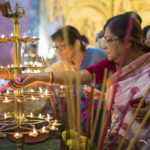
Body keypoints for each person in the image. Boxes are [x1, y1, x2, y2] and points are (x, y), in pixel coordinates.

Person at [8, 12, 150, 150]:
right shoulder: (112, 64)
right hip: (115, 139)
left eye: (109, 40)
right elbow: (78, 77)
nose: (104, 46)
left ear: (128, 42)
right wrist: (35, 77)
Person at [45, 25, 107, 127]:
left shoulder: (99, 56)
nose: (58, 51)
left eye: (63, 46)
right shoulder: (64, 64)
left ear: (77, 44)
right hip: (82, 120)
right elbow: (46, 74)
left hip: (102, 117)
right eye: (56, 47)